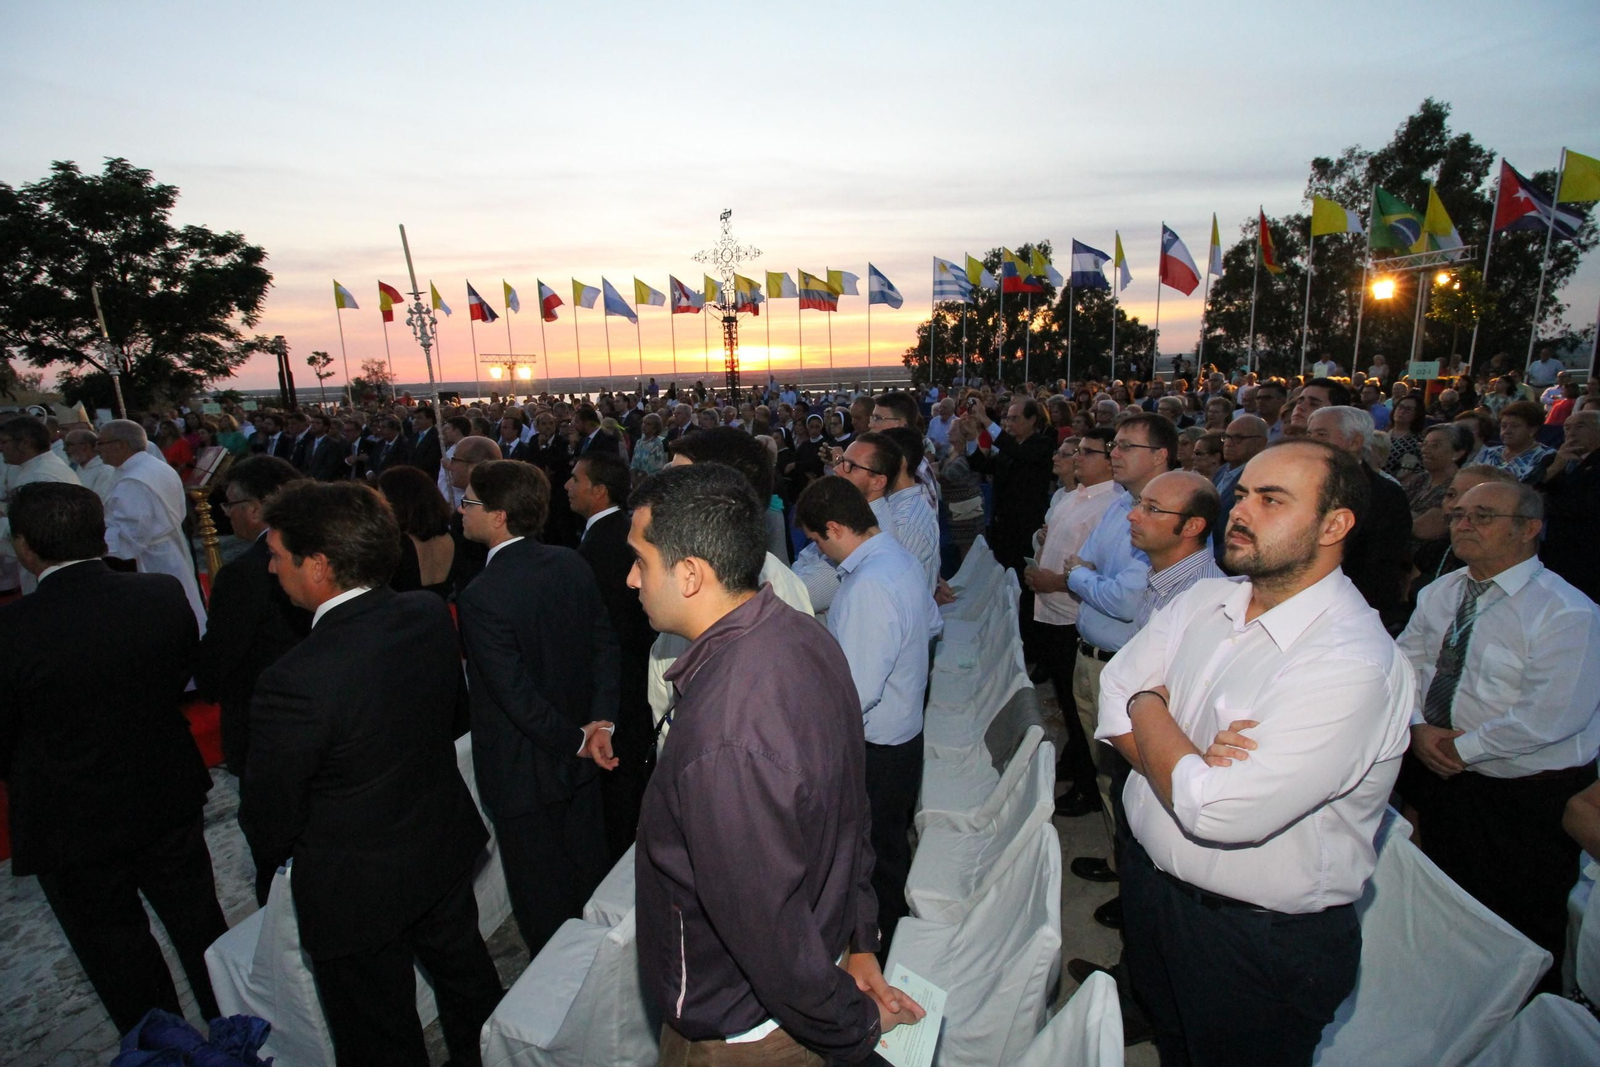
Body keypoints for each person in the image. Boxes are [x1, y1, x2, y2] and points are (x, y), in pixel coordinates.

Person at [1095, 439, 1410, 1065]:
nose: (1241, 512)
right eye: (1241, 495)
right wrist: (1185, 751)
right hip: (1155, 894)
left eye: (1272, 500)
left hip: (1253, 938)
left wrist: (1149, 707)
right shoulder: (1204, 600)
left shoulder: (1350, 661)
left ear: (1335, 524)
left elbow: (1220, 812)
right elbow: (1114, 689)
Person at [627, 464, 923, 1063]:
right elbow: (849, 812)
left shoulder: (726, 735)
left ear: (689, 575)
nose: (631, 579)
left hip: (748, 1032)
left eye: (640, 559)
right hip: (810, 971)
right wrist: (860, 937)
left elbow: (766, 933)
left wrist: (856, 1021)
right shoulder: (801, 634)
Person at [241, 481, 504, 1067]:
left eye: (278, 555)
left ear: (319, 566)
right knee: (467, 983)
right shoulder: (427, 612)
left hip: (354, 887)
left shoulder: (294, 680)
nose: (270, 568)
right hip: (437, 844)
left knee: (377, 1032)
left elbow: (269, 813)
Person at [0, 482, 229, 1036]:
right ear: (100, 535)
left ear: (25, 546)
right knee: (200, 926)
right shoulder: (159, 595)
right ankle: (234, 1026)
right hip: (163, 790)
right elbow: (179, 675)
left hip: (69, 816)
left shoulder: (11, 630)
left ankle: (163, 1049)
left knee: (118, 955)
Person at [1397, 481, 1600, 992]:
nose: (1462, 524)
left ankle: (1527, 1031)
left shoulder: (1566, 612)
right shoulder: (1442, 590)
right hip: (1446, 777)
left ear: (1528, 529)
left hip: (1525, 797)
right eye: (1459, 513)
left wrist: (1457, 748)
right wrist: (1420, 728)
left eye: (1482, 516)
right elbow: (1408, 660)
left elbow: (1550, 717)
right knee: (1449, 911)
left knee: (1522, 927)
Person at [457, 459, 619, 952]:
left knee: (542, 903)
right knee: (589, 883)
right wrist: (601, 725)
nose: (460, 511)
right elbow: (604, 648)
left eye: (469, 503)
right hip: (585, 757)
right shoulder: (570, 562)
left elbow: (514, 695)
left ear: (499, 515)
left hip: (524, 771)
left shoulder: (482, 595)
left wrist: (578, 738)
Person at [796, 476, 942, 952]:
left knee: (874, 855)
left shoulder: (868, 586)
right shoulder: (895, 558)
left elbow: (855, 693)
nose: (819, 552)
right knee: (886, 843)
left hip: (877, 745)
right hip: (902, 731)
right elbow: (933, 623)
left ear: (836, 528)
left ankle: (879, 948)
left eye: (818, 541)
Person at [1062, 414, 1175, 911]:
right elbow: (1079, 562)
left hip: (1124, 667)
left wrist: (1085, 580)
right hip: (1090, 657)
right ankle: (1116, 862)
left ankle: (1133, 887)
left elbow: (1126, 600)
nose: (1115, 453)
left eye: (1129, 446)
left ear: (1161, 457)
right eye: (1116, 444)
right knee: (1107, 775)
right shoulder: (1118, 505)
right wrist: (1089, 578)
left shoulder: (1169, 514)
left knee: (1129, 783)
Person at [195, 456, 311, 789]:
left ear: (258, 507)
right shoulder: (317, 545)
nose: (225, 512)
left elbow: (222, 653)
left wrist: (206, 681)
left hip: (266, 719)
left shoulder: (243, 575)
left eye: (231, 503)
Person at [1025, 429, 1121, 817]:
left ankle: (1087, 787)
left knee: (1082, 707)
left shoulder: (1109, 503)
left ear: (1110, 459)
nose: (1077, 458)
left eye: (1087, 452)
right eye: (1076, 451)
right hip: (1052, 610)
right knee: (1068, 702)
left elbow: (1101, 570)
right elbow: (1051, 543)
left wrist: (1057, 582)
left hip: (1072, 615)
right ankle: (1075, 764)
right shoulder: (1073, 496)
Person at [567, 449, 656, 861]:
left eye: (576, 480)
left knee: (619, 786)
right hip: (634, 679)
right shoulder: (619, 533)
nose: (567, 486)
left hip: (616, 685)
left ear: (599, 491)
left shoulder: (599, 548)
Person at [94, 420, 207, 631]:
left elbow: (131, 536)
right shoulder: (153, 466)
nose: (97, 449)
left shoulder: (134, 481)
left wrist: (91, 543)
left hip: (150, 559)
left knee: (163, 619)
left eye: (101, 443)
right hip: (167, 548)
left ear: (120, 445)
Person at [1306, 406, 1413, 630]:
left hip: (1349, 616)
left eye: (1321, 435)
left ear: (1354, 442)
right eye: (1309, 434)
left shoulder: (1385, 495)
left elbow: (1379, 569)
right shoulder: (1296, 486)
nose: (1311, 441)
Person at [0, 416, 83, 595]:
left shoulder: (40, 475)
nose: (1, 448)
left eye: (4, 442)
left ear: (25, 443)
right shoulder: (35, 468)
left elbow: (36, 530)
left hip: (52, 565)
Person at [1538, 409, 1599, 601]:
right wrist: (1555, 468)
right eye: (1567, 428)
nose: (1571, 433)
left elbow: (1587, 506)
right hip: (1546, 550)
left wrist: (1541, 502)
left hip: (1586, 553)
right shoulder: (1551, 460)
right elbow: (1524, 492)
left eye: (1580, 426)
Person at [380, 465, 457, 599]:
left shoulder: (396, 545)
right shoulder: (450, 537)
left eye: (382, 500)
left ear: (398, 502)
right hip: (440, 613)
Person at [1480, 400, 1557, 483]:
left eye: (1515, 426)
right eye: (1503, 426)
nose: (1507, 431)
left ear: (1532, 430)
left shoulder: (1546, 457)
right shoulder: (1489, 453)